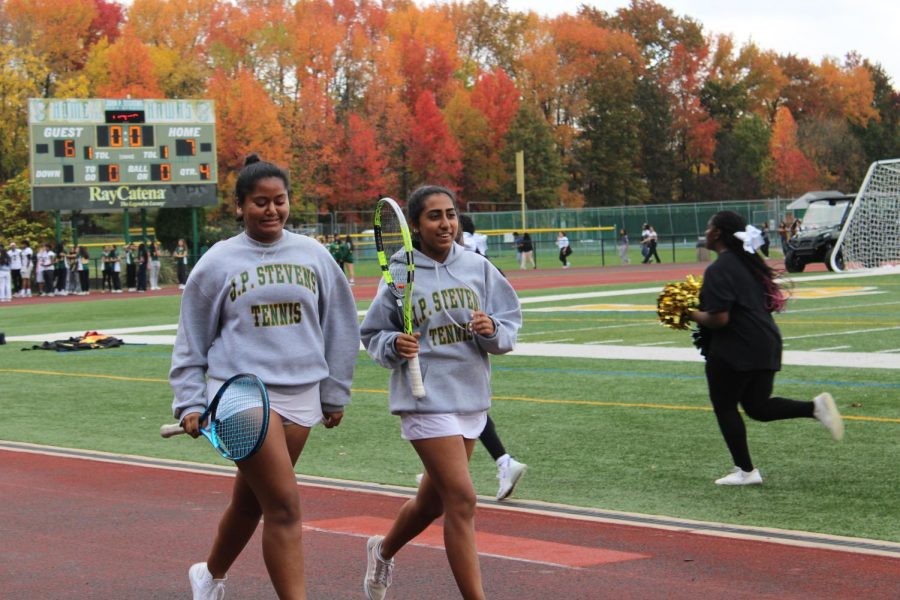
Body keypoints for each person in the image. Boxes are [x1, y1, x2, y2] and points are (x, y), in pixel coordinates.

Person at [170, 154, 359, 599]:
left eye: (279, 201)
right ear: (239, 206)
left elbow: (340, 324)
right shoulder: (218, 261)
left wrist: (334, 392)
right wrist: (191, 401)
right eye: (260, 202)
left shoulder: (313, 254)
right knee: (284, 506)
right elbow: (191, 337)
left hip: (301, 393)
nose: (272, 211)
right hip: (239, 393)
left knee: (251, 502)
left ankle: (210, 575)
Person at [360, 185, 522, 600]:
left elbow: (507, 328)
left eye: (450, 214)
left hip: (470, 396)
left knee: (433, 503)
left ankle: (383, 550)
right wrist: (395, 344)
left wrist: (492, 331)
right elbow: (374, 333)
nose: (445, 223)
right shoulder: (398, 271)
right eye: (434, 216)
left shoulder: (477, 267)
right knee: (463, 499)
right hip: (423, 398)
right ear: (415, 224)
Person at [685, 210, 844, 486]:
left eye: (709, 228)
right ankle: (815, 408)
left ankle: (746, 472)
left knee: (724, 406)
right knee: (757, 407)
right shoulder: (749, 264)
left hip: (737, 346)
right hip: (767, 342)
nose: (706, 233)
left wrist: (688, 313)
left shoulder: (719, 269)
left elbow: (718, 318)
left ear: (718, 233)